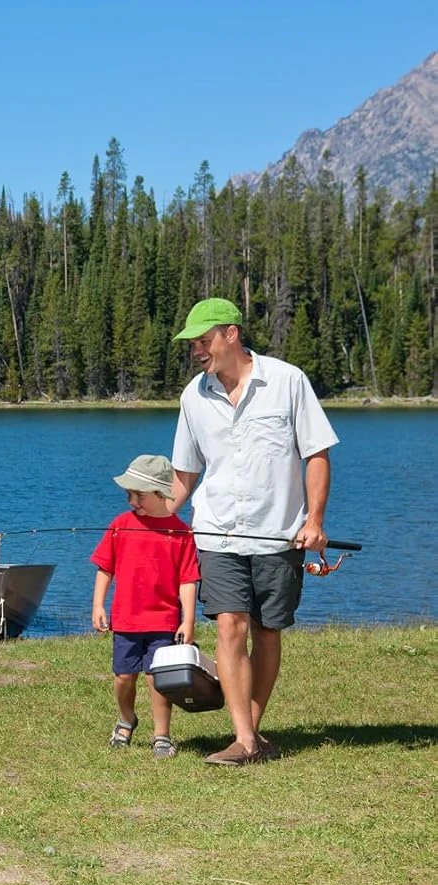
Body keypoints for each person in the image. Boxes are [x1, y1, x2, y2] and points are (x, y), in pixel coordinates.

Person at [168, 297, 339, 766]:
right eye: (192, 344)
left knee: (266, 631)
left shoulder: (287, 381)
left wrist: (315, 521)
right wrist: (154, 513)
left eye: (204, 341)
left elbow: (317, 454)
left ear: (231, 334)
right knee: (229, 625)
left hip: (278, 534)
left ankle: (252, 732)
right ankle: (243, 739)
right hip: (216, 533)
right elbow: (186, 474)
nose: (197, 351)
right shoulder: (192, 397)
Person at [91, 454, 201, 759]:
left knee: (158, 679)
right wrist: (99, 604)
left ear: (159, 493)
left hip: (165, 621)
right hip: (125, 619)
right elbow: (105, 568)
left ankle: (162, 736)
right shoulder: (120, 525)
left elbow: (188, 580)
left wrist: (188, 620)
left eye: (137, 494)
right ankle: (126, 719)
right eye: (128, 494)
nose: (131, 501)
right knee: (124, 677)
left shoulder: (181, 533)